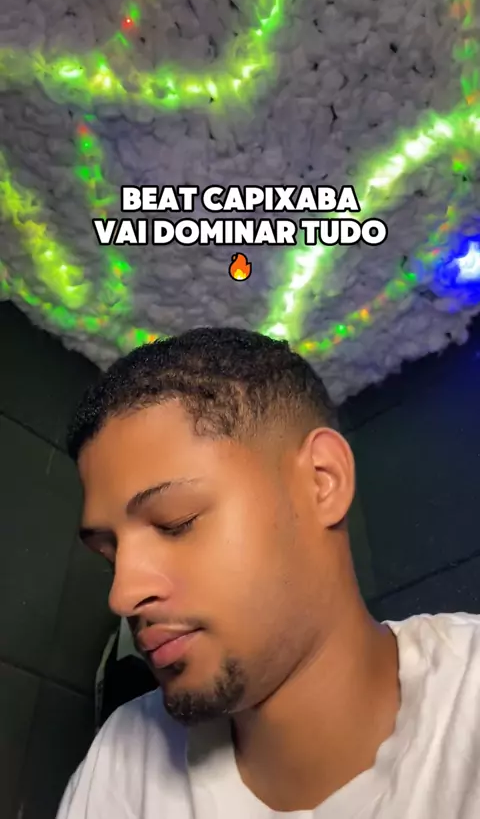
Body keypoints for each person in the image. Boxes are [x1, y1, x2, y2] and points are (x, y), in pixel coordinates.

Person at [58, 326, 480, 819]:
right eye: (110, 556)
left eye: (176, 522)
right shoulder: (121, 762)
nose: (123, 595)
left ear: (322, 481)